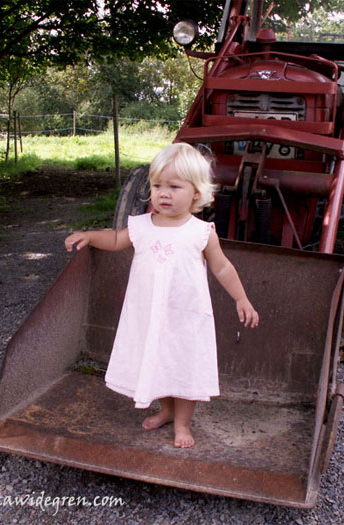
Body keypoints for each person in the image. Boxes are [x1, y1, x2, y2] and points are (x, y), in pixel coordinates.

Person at [64, 143, 259, 449]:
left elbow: (221, 267)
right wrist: (90, 236)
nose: (163, 193)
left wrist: (241, 298)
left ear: (196, 192)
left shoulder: (201, 232)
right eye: (157, 185)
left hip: (186, 316)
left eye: (173, 186)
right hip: (150, 313)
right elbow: (115, 239)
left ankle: (182, 423)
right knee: (158, 360)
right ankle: (166, 410)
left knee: (182, 365)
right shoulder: (142, 226)